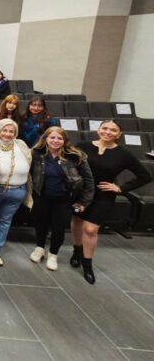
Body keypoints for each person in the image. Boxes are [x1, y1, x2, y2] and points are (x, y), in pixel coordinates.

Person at [71, 120, 151, 284]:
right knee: (77, 221)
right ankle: (76, 250)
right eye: (105, 128)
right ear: (99, 129)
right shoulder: (82, 146)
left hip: (103, 195)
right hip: (81, 192)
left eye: (113, 130)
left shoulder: (124, 154)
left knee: (91, 229)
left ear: (118, 134)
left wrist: (121, 188)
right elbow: (68, 164)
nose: (108, 132)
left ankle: (87, 265)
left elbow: (145, 176)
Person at [29, 127, 94, 271]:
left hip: (64, 199)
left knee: (58, 228)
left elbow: (89, 181)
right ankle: (39, 248)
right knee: (40, 224)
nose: (56, 141)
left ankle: (53, 254)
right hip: (42, 196)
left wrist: (84, 202)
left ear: (64, 141)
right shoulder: (36, 154)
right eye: (52, 137)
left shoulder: (76, 156)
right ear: (45, 138)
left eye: (59, 138)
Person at [0, 118, 32, 266]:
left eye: (12, 131)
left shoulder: (21, 144)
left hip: (18, 190)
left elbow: (30, 159)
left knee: (4, 220)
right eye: (5, 130)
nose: (8, 134)